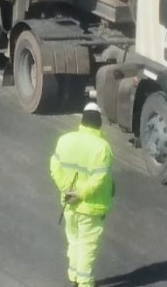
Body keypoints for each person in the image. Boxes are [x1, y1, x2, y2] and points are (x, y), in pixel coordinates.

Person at [50, 102, 116, 287]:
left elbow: (54, 167)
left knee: (74, 241)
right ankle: (85, 282)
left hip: (69, 204)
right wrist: (80, 193)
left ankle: (74, 276)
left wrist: (67, 190)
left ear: (82, 120)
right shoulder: (102, 148)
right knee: (88, 245)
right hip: (91, 207)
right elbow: (99, 179)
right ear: (99, 123)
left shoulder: (65, 140)